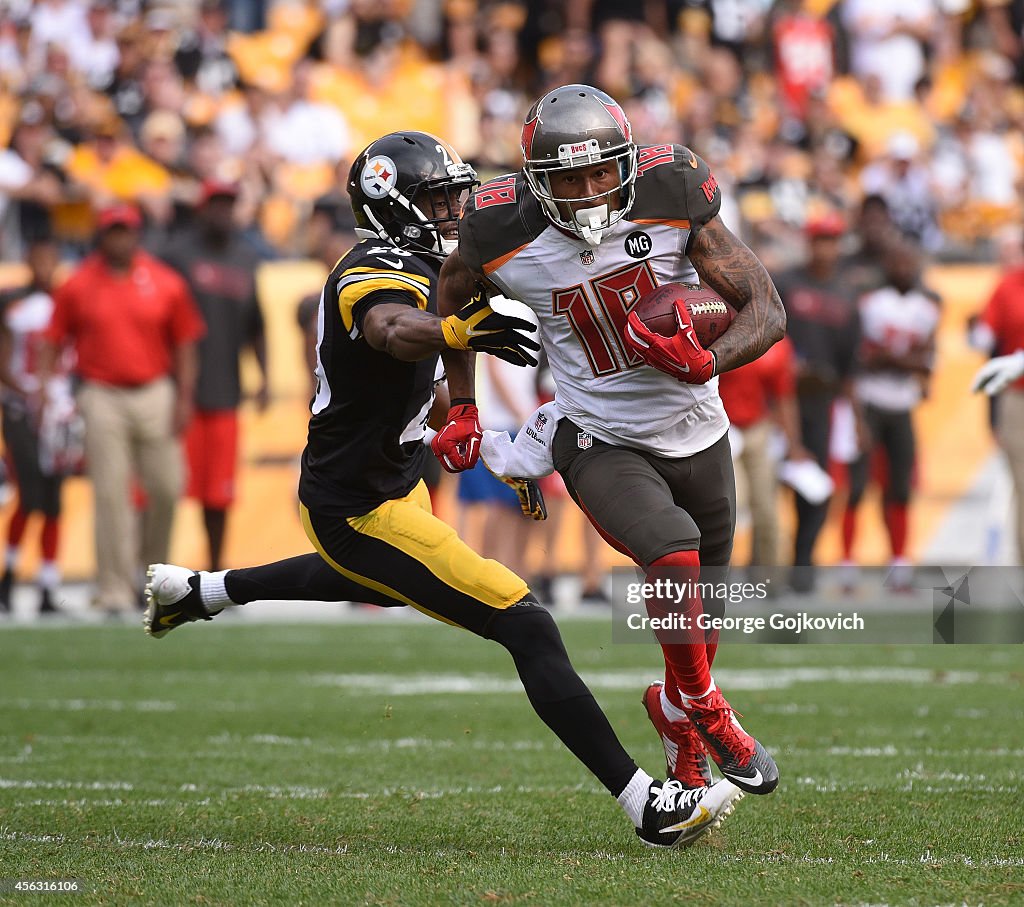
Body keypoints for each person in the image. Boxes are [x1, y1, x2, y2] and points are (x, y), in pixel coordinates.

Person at [143, 131, 742, 849]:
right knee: (526, 624)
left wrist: (477, 435)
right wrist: (456, 327)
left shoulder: (436, 262)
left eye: (456, 194)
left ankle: (204, 592)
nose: (455, 208)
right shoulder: (374, 265)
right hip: (355, 507)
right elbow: (393, 328)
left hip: (388, 484)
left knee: (387, 583)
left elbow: (418, 377)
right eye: (436, 198)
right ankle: (648, 804)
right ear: (390, 205)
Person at [431, 84, 784, 796]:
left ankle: (677, 722)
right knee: (671, 548)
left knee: (699, 611)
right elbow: (451, 297)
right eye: (568, 177)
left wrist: (708, 360)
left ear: (625, 163)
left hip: (699, 426)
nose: (589, 191)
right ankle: (707, 708)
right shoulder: (499, 228)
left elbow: (766, 309)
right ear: (537, 181)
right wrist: (461, 404)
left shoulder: (671, 186)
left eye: (601, 172)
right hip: (596, 431)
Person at [41, 203, 204, 615]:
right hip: (101, 393)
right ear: (102, 235)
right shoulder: (78, 283)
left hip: (154, 389)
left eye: (127, 231)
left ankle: (151, 578)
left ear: (137, 234)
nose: (121, 239)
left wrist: (184, 398)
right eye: (113, 231)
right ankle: (113, 588)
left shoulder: (164, 281)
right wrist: (47, 390)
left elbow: (185, 343)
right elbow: (53, 339)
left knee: (167, 486)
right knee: (111, 494)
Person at [159, 180, 269, 571]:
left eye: (229, 205)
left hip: (225, 392)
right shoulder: (175, 255)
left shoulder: (245, 257)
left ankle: (215, 571)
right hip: (174, 395)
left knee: (218, 494)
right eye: (216, 205)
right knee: (162, 489)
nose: (223, 213)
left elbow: (257, 322)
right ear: (203, 209)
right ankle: (151, 569)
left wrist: (265, 375)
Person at [841, 239, 939, 589]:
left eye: (907, 261)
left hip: (902, 405)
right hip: (870, 401)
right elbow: (862, 358)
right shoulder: (869, 305)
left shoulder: (927, 308)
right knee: (856, 486)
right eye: (896, 261)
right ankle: (848, 562)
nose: (901, 268)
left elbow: (925, 365)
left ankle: (898, 562)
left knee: (899, 487)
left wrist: (891, 358)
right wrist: (903, 360)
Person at [774, 212, 861, 592]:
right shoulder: (787, 283)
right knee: (768, 484)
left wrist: (857, 417)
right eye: (820, 240)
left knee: (817, 485)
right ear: (809, 243)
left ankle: (803, 562)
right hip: (778, 400)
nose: (826, 248)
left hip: (822, 403)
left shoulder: (845, 295)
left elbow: (850, 366)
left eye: (832, 241)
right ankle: (764, 564)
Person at [0, 236, 70, 615]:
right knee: (29, 496)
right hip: (21, 409)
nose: (44, 267)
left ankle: (47, 584)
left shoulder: (67, 301)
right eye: (38, 259)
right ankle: (8, 576)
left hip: (59, 412)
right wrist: (27, 392)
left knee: (55, 500)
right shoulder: (12, 303)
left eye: (51, 259)